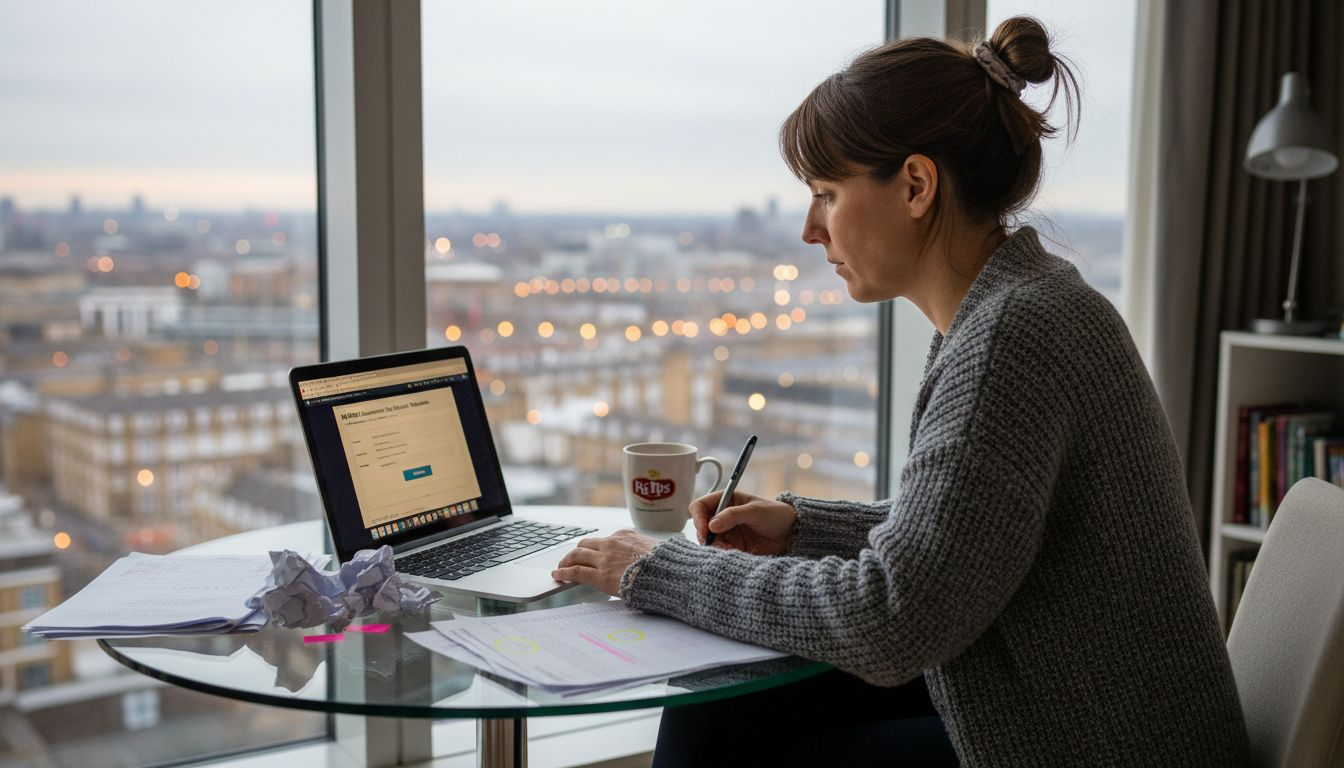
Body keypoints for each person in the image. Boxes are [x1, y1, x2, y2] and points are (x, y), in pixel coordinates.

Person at [554, 15, 1251, 767]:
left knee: (725, 731)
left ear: (916, 185)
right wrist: (801, 528)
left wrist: (656, 569)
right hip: (1076, 711)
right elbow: (969, 539)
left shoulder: (1012, 336)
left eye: (825, 192)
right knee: (722, 712)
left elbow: (891, 620)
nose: (808, 230)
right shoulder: (1023, 302)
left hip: (1092, 744)